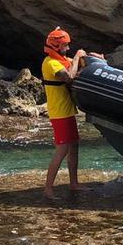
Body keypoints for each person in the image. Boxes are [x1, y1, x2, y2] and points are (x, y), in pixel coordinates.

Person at [41, 26, 91, 199]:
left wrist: (89, 57)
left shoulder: (62, 59)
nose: (68, 49)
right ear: (55, 46)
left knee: (74, 146)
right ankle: (48, 189)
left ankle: (74, 183)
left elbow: (76, 63)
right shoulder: (51, 63)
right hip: (59, 113)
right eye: (64, 46)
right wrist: (77, 57)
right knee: (62, 150)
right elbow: (69, 77)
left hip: (67, 111)